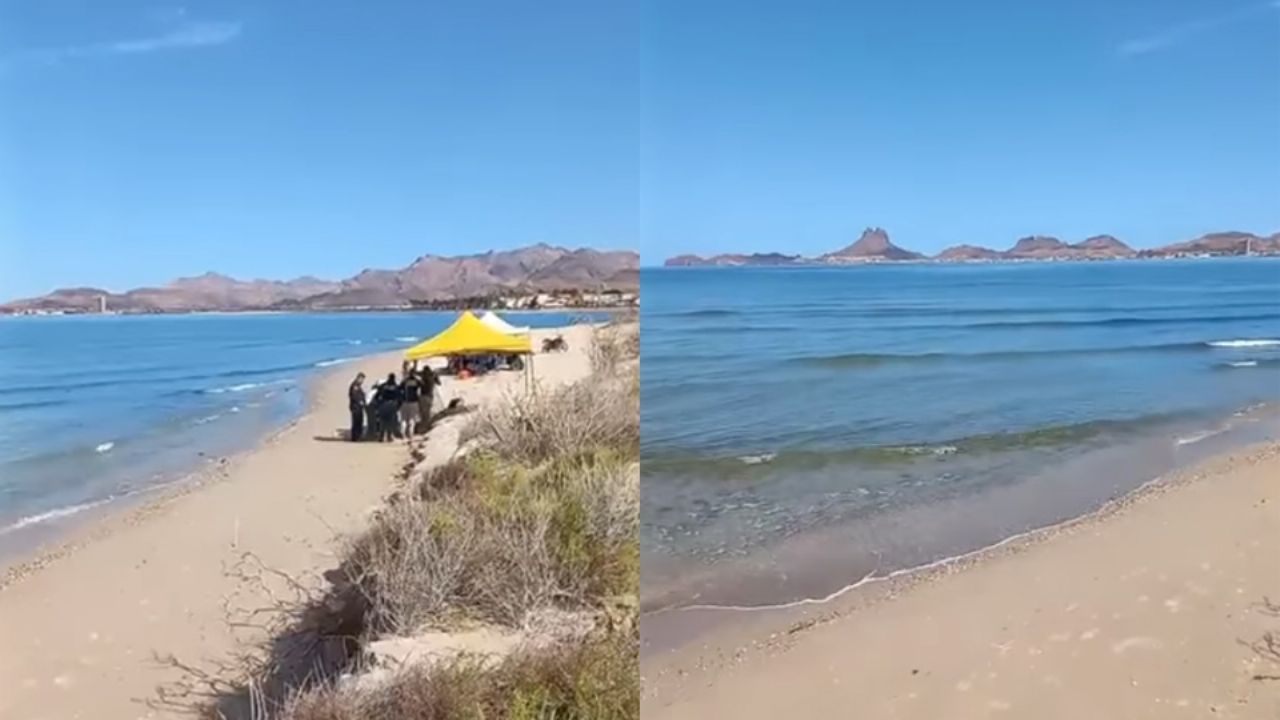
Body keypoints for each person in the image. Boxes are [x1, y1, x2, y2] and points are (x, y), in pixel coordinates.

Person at [373, 373, 403, 442]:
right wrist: (398, 406)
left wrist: (378, 404)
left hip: (383, 404)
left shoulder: (383, 386)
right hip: (392, 404)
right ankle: (389, 437)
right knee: (390, 421)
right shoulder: (396, 387)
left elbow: (377, 396)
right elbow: (400, 397)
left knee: (383, 421)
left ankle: (381, 436)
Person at [400, 368, 422, 437]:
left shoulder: (405, 381)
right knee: (412, 419)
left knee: (404, 419)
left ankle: (403, 433)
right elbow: (423, 385)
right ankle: (410, 434)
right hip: (413, 402)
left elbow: (400, 388)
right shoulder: (417, 381)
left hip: (405, 402)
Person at [418, 363, 440, 431]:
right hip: (429, 396)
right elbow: (439, 383)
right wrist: (436, 376)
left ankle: (423, 428)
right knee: (427, 413)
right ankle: (426, 427)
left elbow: (414, 373)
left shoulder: (423, 376)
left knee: (423, 414)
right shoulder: (432, 376)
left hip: (423, 396)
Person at [347, 372, 366, 441]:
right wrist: (360, 401)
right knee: (356, 422)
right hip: (355, 406)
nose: (362, 381)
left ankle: (358, 436)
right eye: (362, 379)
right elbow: (354, 396)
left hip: (359, 406)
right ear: (359, 378)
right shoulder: (354, 385)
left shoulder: (358, 386)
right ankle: (355, 437)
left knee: (359, 421)